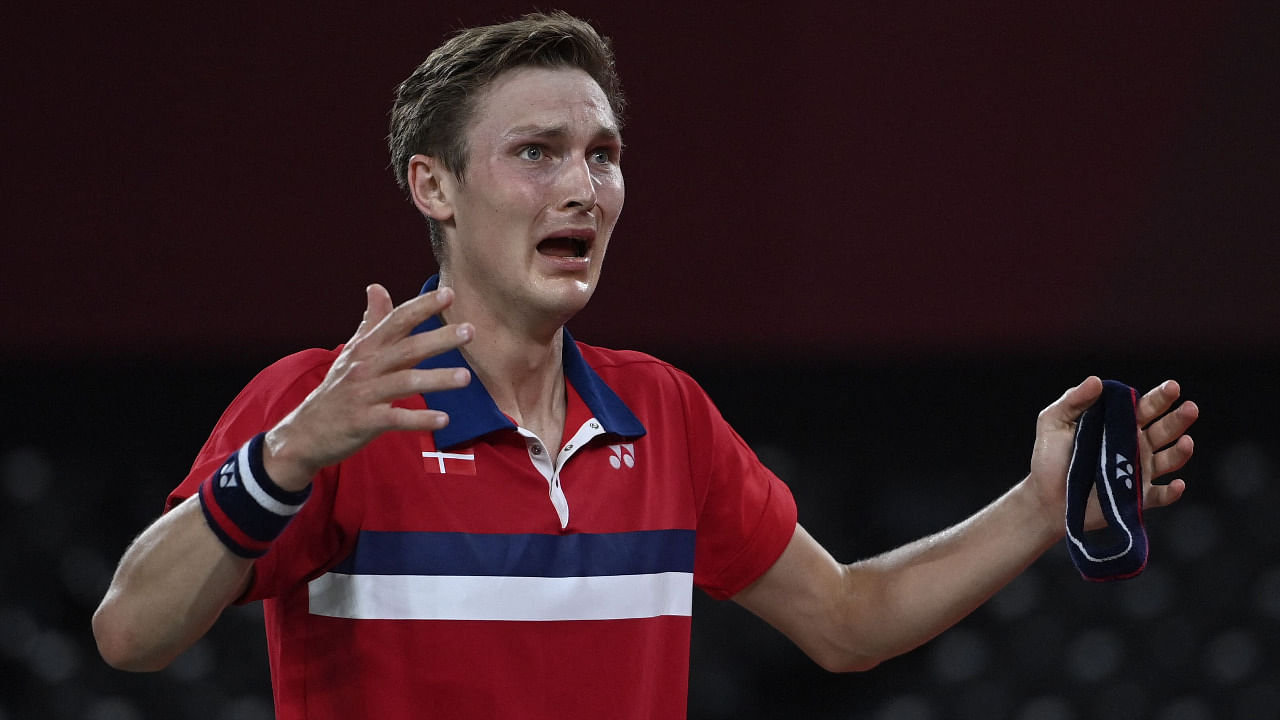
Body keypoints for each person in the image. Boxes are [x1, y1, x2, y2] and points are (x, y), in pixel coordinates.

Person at [92, 11, 1199, 720]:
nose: (583, 187)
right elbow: (130, 636)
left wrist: (1032, 505)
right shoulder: (335, 403)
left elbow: (847, 620)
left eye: (602, 155)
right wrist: (283, 461)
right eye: (535, 154)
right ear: (433, 187)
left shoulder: (661, 412)